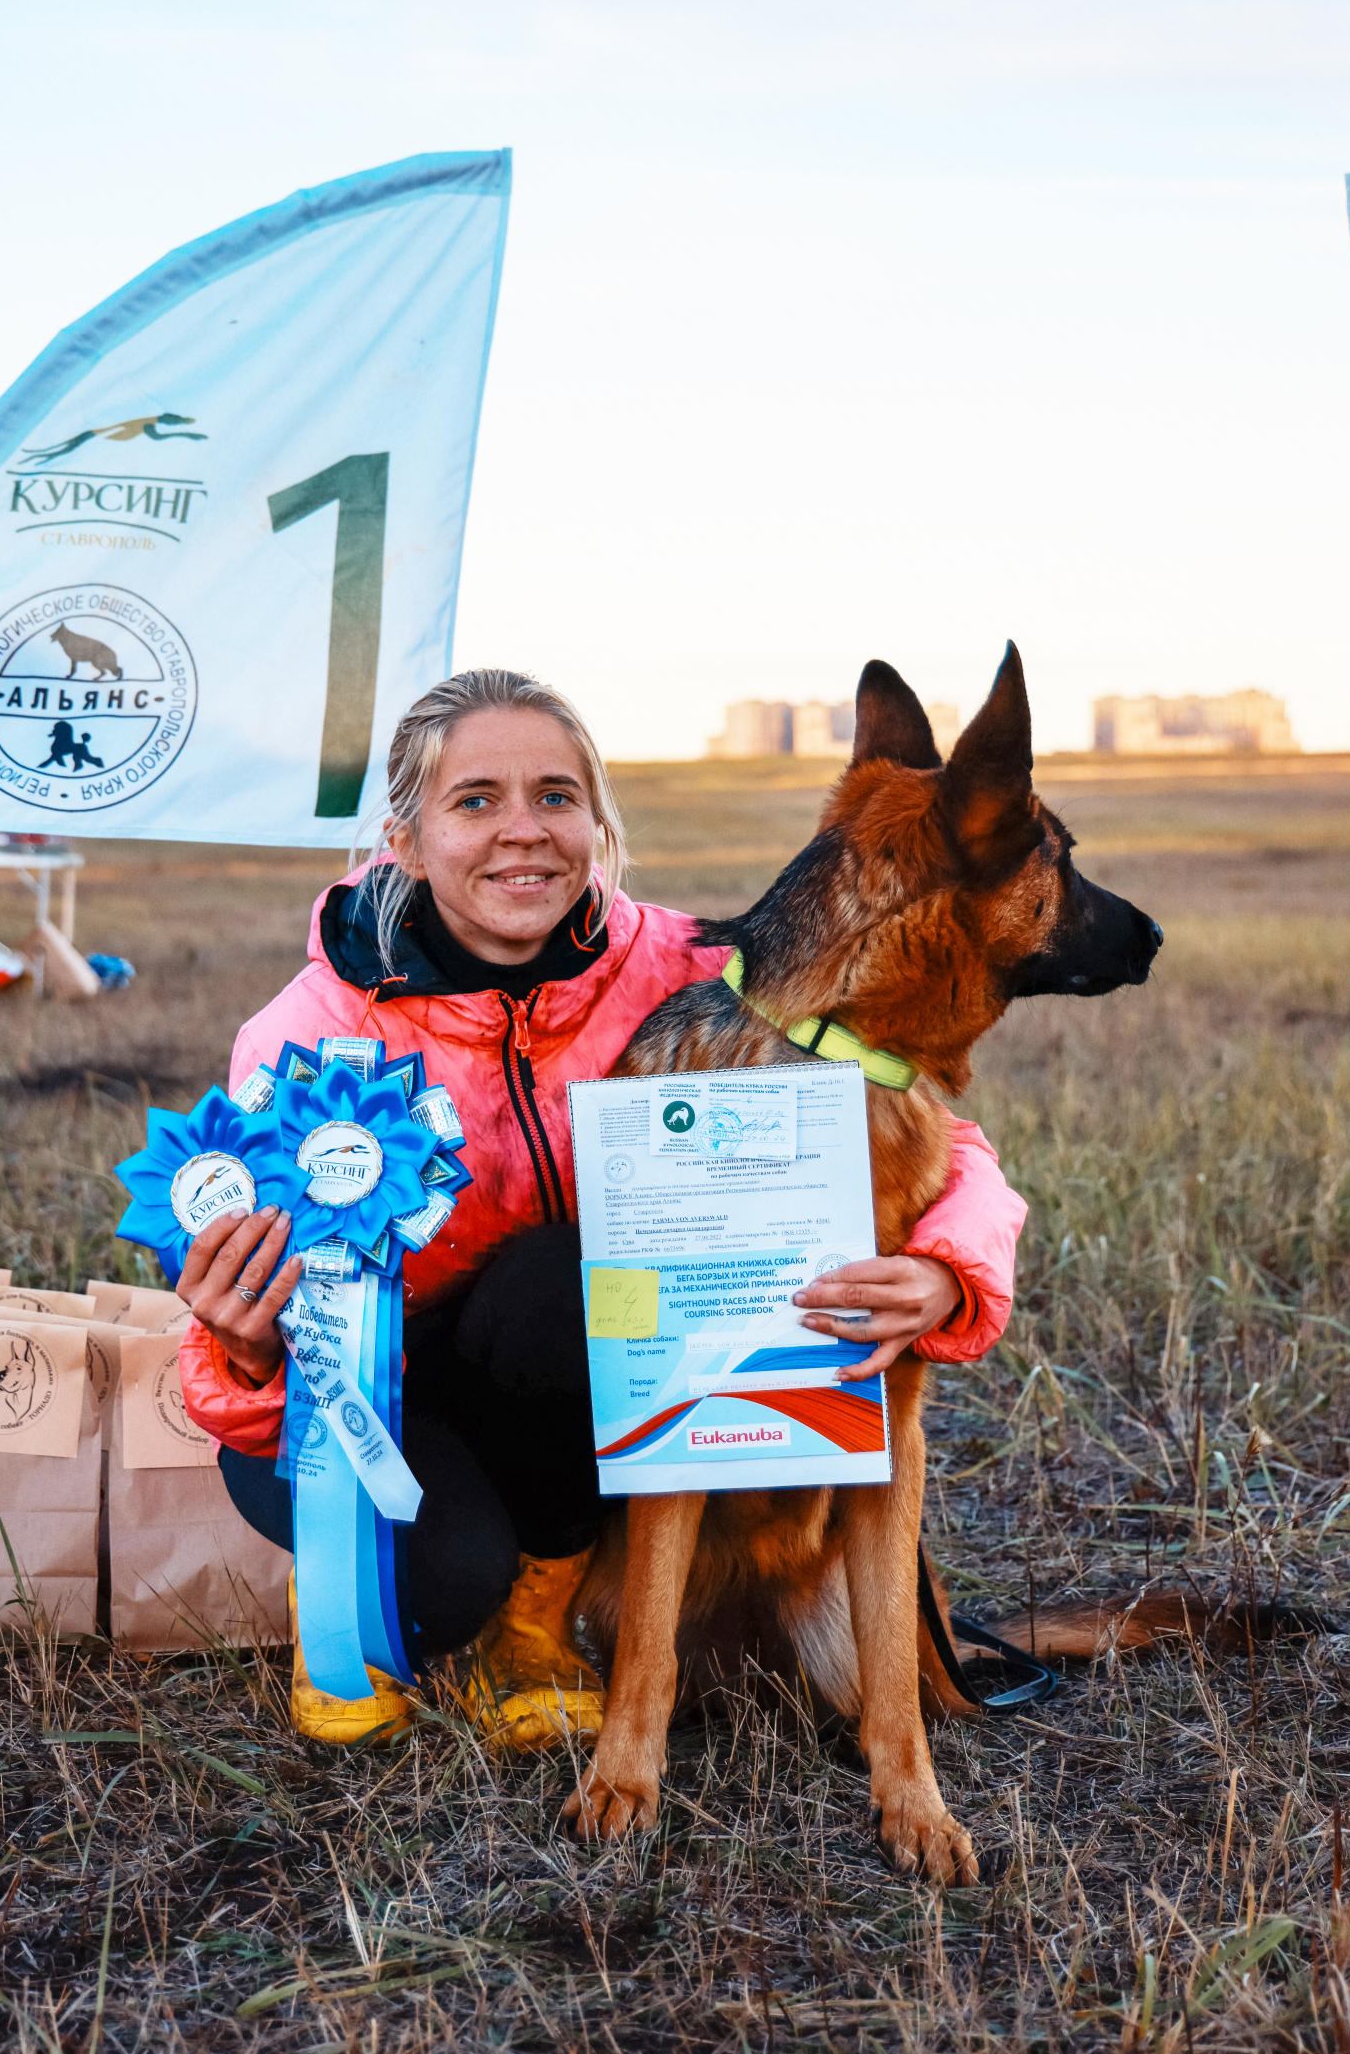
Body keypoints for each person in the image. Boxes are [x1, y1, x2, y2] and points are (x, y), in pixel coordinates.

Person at [177, 669, 1026, 1748]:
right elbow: (240, 1306)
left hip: (557, 1359)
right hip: (362, 1404)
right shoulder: (307, 1029)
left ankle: (539, 1619)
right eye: (475, 800)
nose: (522, 832)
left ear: (597, 821)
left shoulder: (696, 970)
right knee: (439, 1583)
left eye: (556, 796)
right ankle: (363, 1605)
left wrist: (946, 1270)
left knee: (567, 1277)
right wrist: (243, 1348)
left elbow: (934, 1132)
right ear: (402, 836)